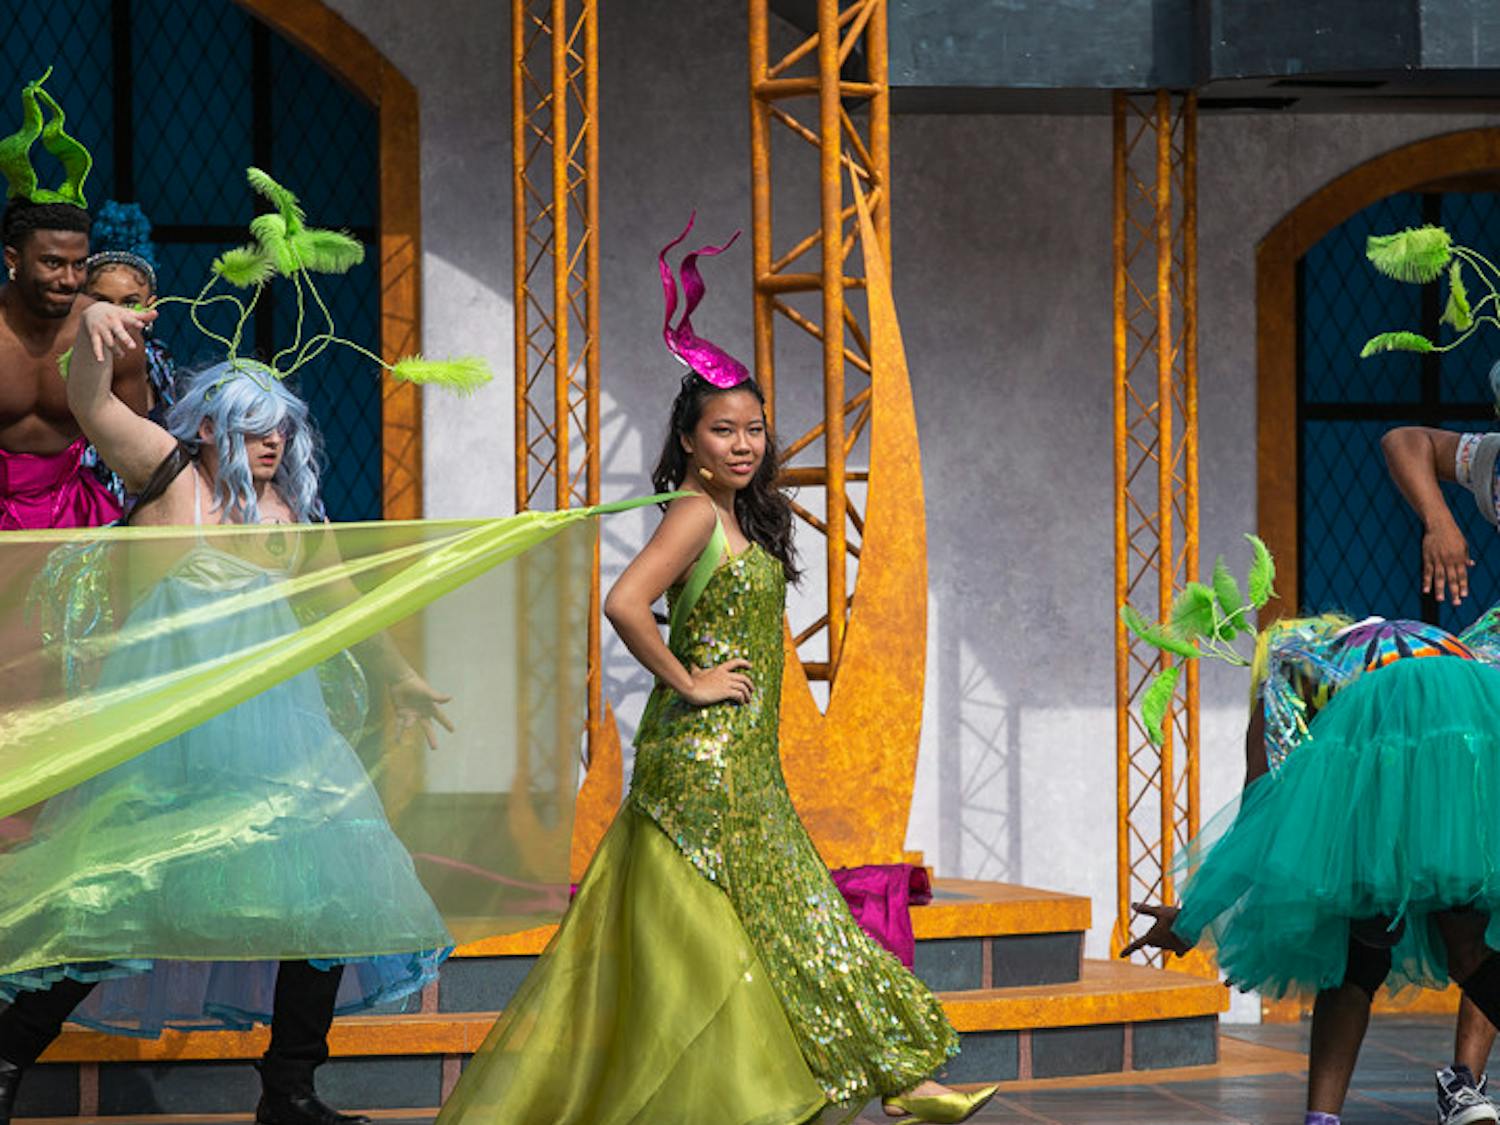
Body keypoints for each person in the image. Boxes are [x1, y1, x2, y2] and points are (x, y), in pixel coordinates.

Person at [433, 218, 994, 1125]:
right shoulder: (694, 515)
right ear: (690, 441)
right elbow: (623, 602)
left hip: (743, 765)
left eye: (755, 430)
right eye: (724, 430)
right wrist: (688, 681)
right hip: (699, 766)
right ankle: (890, 1082)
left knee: (782, 922)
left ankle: (867, 1082)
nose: (743, 444)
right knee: (773, 924)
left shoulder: (746, 519)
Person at [0, 300, 455, 1125]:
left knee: (327, 898)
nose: (271, 441)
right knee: (114, 900)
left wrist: (401, 678)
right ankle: (3, 1056)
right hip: (173, 739)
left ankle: (289, 1089)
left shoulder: (288, 512)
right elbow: (92, 405)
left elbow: (341, 603)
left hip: (283, 740)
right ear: (209, 428)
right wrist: (96, 331)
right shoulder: (173, 477)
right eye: (252, 427)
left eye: (279, 426)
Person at [1123, 606, 1500, 1125]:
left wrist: (1190, 922)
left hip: (1416, 733)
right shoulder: (1416, 645)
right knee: (1466, 938)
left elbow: (1260, 804)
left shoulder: (1286, 666)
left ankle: (1321, 1118)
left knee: (1359, 941)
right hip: (1476, 724)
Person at [0, 72, 147, 529]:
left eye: (79, 264)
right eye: (51, 263)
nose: (69, 279)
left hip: (75, 512)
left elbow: (138, 448)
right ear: (13, 260)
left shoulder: (111, 333)